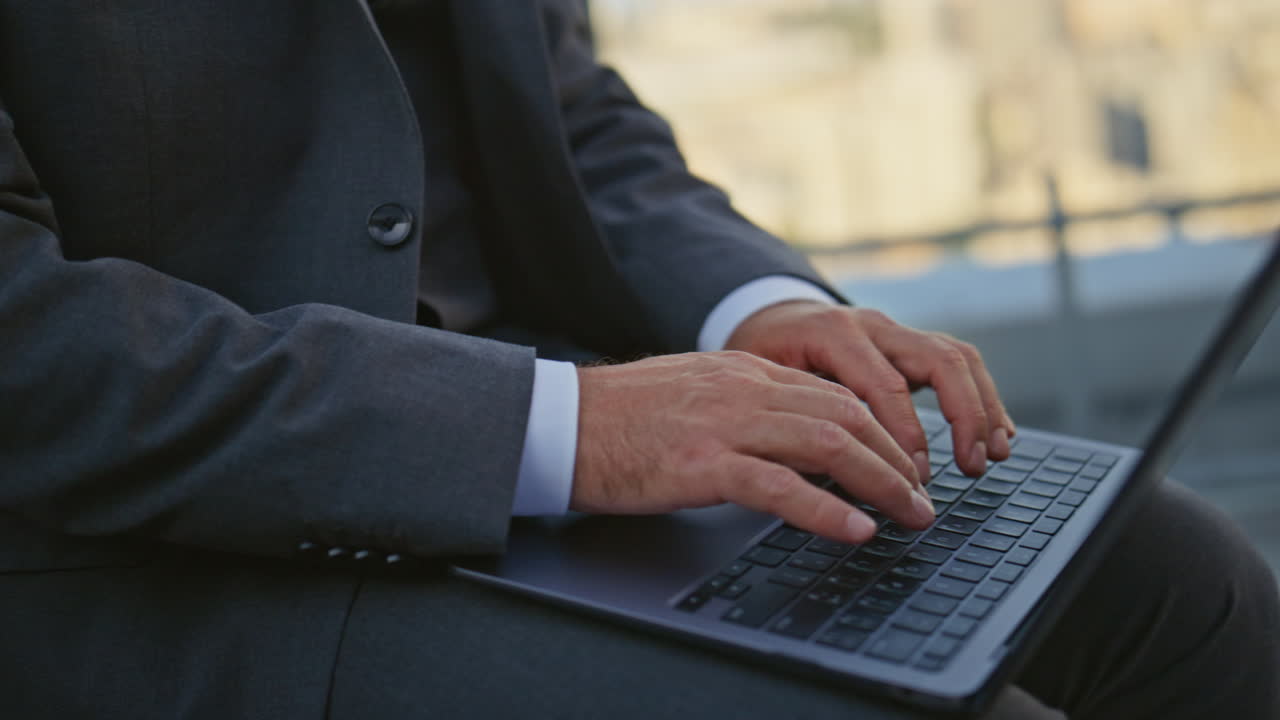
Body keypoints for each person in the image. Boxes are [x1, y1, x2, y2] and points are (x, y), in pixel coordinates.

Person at [1, 1, 1275, 718]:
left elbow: (575, 122)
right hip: (155, 551)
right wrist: (564, 429)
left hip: (543, 425)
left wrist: (754, 313)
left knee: (1189, 586)